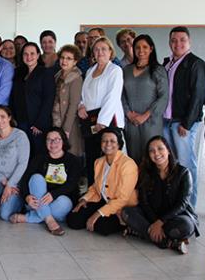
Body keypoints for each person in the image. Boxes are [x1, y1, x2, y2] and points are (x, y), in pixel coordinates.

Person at [122, 136, 198, 254]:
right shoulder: (145, 173)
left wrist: (160, 222)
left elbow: (182, 203)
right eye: (151, 151)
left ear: (168, 150)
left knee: (185, 226)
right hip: (152, 215)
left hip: (176, 216)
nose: (156, 153)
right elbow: (144, 202)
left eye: (160, 149)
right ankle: (171, 243)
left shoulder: (183, 173)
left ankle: (141, 232)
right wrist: (155, 222)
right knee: (127, 212)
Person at [162, 26, 205, 208]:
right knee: (171, 165)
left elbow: (198, 95)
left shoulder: (196, 64)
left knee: (187, 164)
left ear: (189, 42)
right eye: (174, 40)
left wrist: (187, 124)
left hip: (182, 122)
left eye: (182, 40)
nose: (177, 43)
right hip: (166, 121)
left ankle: (189, 207)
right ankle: (173, 204)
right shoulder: (167, 62)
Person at [67, 128, 138, 235]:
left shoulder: (128, 164)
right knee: (73, 220)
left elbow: (123, 198)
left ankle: (126, 224)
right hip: (103, 200)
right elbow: (96, 187)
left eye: (112, 141)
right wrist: (85, 199)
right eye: (104, 141)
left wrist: (97, 213)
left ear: (119, 144)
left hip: (121, 206)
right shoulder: (99, 162)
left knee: (102, 227)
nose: (108, 144)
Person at [13, 128, 82, 235]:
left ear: (63, 141)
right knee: (36, 178)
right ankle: (49, 219)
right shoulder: (39, 158)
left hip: (59, 203)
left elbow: (71, 185)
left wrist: (53, 195)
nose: (53, 143)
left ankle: (31, 217)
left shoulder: (73, 161)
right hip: (37, 200)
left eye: (57, 139)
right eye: (49, 140)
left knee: (65, 202)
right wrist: (26, 196)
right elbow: (25, 179)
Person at [78, 37, 124, 185]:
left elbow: (113, 96)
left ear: (110, 51)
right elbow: (84, 94)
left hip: (108, 122)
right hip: (90, 122)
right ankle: (93, 195)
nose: (100, 52)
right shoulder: (90, 71)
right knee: (92, 159)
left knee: (109, 160)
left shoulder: (115, 70)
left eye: (104, 49)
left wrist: (102, 122)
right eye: (96, 49)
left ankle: (110, 200)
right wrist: (81, 106)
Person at [122, 34, 168, 164]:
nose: (141, 50)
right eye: (137, 47)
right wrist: (129, 114)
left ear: (151, 49)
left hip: (151, 121)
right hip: (131, 122)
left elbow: (164, 96)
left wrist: (145, 115)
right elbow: (121, 95)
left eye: (145, 47)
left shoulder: (158, 70)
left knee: (152, 157)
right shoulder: (126, 70)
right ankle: (137, 184)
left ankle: (152, 185)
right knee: (133, 158)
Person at [0, 106, 28, 221]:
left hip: (17, 180)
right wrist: (4, 181)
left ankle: (18, 201)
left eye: (3, 117)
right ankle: (5, 199)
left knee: (4, 215)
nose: (0, 120)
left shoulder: (20, 136)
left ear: (9, 118)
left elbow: (22, 164)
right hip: (0, 178)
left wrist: (10, 185)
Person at [10, 42, 55, 153]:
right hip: (20, 121)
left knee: (38, 153)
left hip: (37, 123)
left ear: (38, 55)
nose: (29, 57)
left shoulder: (45, 73)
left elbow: (49, 99)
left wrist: (39, 123)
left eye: (32, 53)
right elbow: (13, 97)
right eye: (25, 54)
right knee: (23, 153)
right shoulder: (18, 73)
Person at [52, 44, 83, 157]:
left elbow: (73, 104)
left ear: (75, 61)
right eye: (62, 57)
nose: (64, 61)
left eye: (69, 58)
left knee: (70, 152)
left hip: (69, 123)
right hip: (56, 120)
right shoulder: (58, 76)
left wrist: (66, 128)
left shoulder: (76, 78)